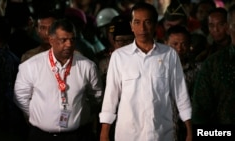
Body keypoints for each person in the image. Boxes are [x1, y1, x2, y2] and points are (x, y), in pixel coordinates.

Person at [99, 2, 192, 141]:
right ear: (131, 25)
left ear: (155, 25)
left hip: (162, 133)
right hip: (128, 134)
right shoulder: (119, 56)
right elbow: (111, 97)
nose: (142, 28)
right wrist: (104, 132)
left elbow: (181, 94)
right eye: (137, 22)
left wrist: (190, 131)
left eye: (147, 22)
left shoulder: (169, 54)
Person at [14, 18, 103, 141]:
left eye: (72, 40)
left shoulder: (87, 66)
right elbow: (20, 97)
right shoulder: (31, 66)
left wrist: (81, 114)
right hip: (41, 136)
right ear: (51, 40)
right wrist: (38, 115)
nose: (69, 44)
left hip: (76, 135)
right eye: (63, 40)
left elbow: (96, 96)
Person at [192, 3, 235, 127]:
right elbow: (200, 112)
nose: (216, 29)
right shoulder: (212, 64)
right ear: (229, 27)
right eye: (211, 25)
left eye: (219, 24)